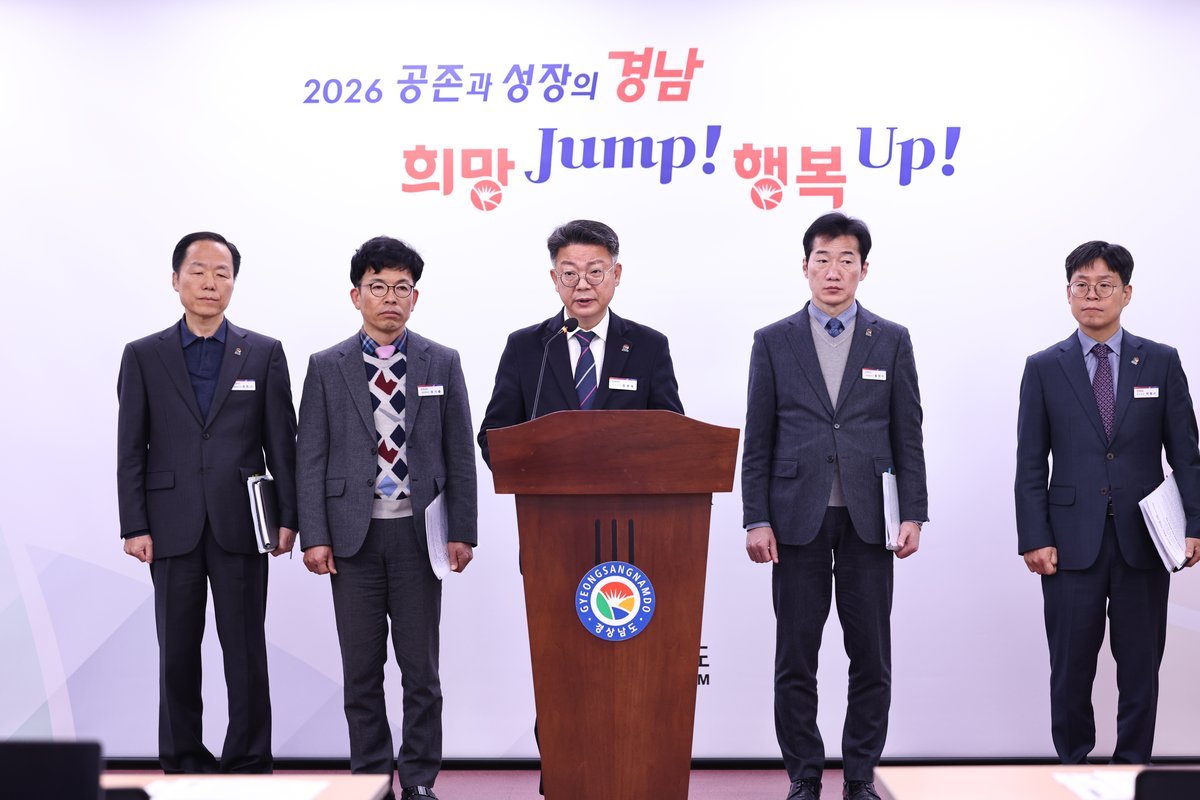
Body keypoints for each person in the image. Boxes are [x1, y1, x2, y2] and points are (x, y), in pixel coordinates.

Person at [741, 212, 928, 800]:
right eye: (822, 259)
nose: (833, 271)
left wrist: (913, 513)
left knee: (870, 654)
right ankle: (803, 775)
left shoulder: (890, 338)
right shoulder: (773, 340)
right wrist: (756, 517)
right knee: (796, 655)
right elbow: (758, 437)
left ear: (863, 269)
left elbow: (908, 433)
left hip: (870, 519)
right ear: (805, 266)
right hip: (795, 517)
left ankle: (859, 775)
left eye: (846, 260)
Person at [297, 236, 476, 800]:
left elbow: (459, 453)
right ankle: (371, 781)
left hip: (419, 537)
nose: (390, 298)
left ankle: (419, 780)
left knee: (421, 672)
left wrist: (463, 531)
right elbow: (310, 457)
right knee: (361, 672)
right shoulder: (325, 367)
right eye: (378, 286)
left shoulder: (441, 361)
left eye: (402, 287)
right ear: (356, 296)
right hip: (352, 538)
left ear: (415, 297)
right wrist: (314, 535)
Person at [116, 231, 298, 773]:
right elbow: (130, 447)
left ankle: (248, 761)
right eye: (198, 271)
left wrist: (289, 518)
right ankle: (183, 762)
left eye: (222, 273)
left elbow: (282, 444)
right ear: (176, 280)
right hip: (170, 525)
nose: (210, 283)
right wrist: (134, 524)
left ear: (234, 284)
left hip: (242, 523)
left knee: (245, 652)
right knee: (176, 653)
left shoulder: (263, 352)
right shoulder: (143, 355)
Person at [1015, 240, 1200, 765]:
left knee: (1140, 666)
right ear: (1068, 293)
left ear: (1127, 293)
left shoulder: (1160, 361)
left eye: (1105, 285)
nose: (1092, 295)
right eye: (1082, 285)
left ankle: (1132, 769)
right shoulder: (1044, 367)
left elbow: (1187, 454)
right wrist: (1034, 537)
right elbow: (1030, 461)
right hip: (1069, 544)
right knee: (1070, 667)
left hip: (1145, 540)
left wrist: (1194, 524)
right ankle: (1073, 767)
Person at [476, 218, 683, 464]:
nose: (582, 285)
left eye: (595, 272)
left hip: (626, 487)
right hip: (548, 487)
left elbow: (673, 435)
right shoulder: (525, 347)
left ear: (616, 274)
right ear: (555, 279)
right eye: (570, 274)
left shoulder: (649, 346)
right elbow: (494, 437)